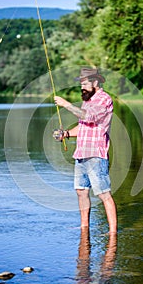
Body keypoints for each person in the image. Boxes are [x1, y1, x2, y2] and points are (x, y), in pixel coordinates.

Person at [54, 68, 117, 233]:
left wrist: (65, 104)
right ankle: (84, 227)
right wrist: (66, 134)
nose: (82, 86)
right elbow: (84, 126)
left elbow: (89, 117)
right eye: (81, 83)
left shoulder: (105, 99)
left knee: (104, 194)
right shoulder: (87, 100)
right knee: (81, 191)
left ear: (95, 82)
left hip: (96, 155)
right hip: (81, 154)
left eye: (85, 83)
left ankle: (112, 233)